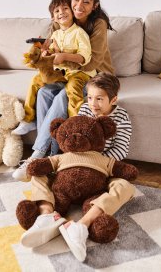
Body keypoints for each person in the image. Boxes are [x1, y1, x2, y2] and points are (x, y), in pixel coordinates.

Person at [20, 73, 134, 262]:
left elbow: (121, 149)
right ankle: (47, 214)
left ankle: (81, 225)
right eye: (90, 98)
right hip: (72, 160)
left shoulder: (121, 117)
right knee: (38, 174)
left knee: (125, 186)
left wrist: (98, 163)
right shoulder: (85, 109)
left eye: (99, 99)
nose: (93, 104)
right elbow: (74, 135)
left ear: (113, 99)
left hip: (101, 167)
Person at [13, 0, 114, 181]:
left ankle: (37, 156)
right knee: (43, 92)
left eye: (86, 2)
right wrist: (45, 55)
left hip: (95, 76)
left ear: (95, 5)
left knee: (62, 97)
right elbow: (51, 49)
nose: (79, 6)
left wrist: (63, 57)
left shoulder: (97, 24)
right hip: (66, 73)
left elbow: (91, 62)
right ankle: (52, 156)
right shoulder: (62, 20)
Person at [13, 0, 96, 137]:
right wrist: (45, 54)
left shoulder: (79, 33)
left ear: (72, 11)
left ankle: (75, 124)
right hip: (60, 73)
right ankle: (28, 119)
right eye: (57, 11)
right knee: (35, 81)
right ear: (53, 17)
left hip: (78, 73)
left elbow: (84, 57)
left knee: (72, 88)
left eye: (65, 8)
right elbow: (52, 54)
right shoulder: (55, 35)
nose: (61, 12)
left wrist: (64, 56)